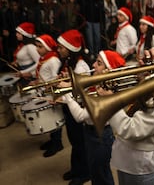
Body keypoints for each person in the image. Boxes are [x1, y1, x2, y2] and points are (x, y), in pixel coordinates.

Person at [95, 53, 154, 185]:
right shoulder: (144, 92)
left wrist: (110, 100)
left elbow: (130, 129)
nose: (140, 72)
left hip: (139, 164)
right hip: (127, 158)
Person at [60, 50, 121, 185]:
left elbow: (80, 116)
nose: (93, 65)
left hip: (100, 137)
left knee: (101, 176)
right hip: (91, 133)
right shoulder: (97, 85)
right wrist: (72, 85)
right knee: (96, 173)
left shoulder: (105, 92)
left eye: (99, 63)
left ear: (107, 70)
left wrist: (66, 93)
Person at [55, 29, 91, 185]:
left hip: (77, 106)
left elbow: (82, 87)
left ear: (70, 48)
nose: (59, 49)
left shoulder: (82, 65)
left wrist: (67, 85)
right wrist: (65, 79)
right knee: (74, 141)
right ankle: (76, 169)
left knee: (79, 142)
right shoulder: (70, 61)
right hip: (70, 106)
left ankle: (84, 173)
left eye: (61, 47)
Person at [30, 34, 63, 157]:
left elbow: (56, 78)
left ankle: (57, 143)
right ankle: (52, 139)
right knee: (49, 116)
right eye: (36, 46)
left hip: (51, 93)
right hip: (44, 91)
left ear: (48, 47)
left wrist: (48, 85)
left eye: (40, 46)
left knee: (54, 118)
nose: (37, 49)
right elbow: (41, 74)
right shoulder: (44, 58)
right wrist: (37, 82)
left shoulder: (53, 60)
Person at [12, 22, 40, 87]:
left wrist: (24, 72)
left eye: (19, 33)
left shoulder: (30, 46)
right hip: (23, 72)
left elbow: (38, 62)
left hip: (29, 75)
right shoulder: (24, 45)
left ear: (25, 34)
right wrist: (17, 62)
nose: (16, 35)